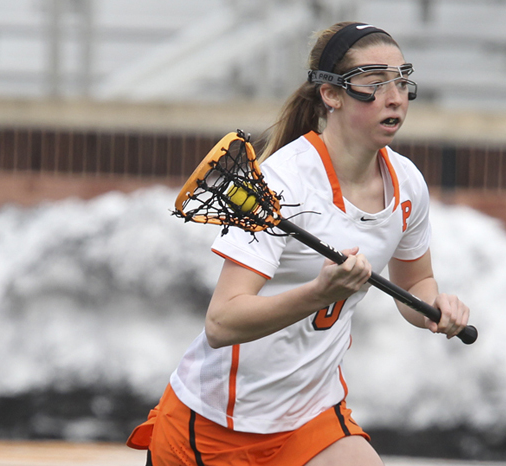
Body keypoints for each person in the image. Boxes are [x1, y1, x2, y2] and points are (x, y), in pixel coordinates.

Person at [127, 21, 471, 466]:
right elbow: (222, 323)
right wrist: (319, 294)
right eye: (374, 82)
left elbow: (416, 280)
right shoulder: (280, 184)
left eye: (401, 80)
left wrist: (434, 307)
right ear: (331, 94)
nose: (394, 97)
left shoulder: (407, 184)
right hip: (215, 424)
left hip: (311, 416)